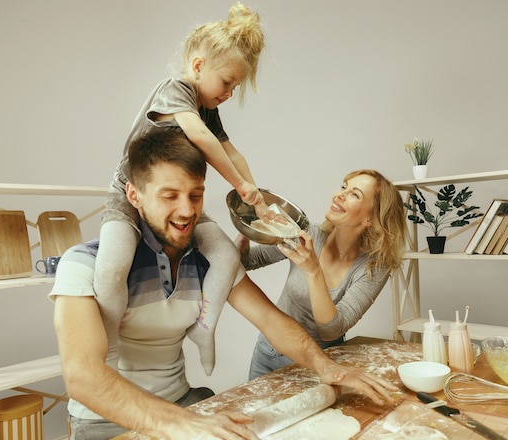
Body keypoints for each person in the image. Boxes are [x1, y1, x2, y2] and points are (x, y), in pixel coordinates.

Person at [51, 128, 398, 440]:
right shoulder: (83, 264)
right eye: (169, 196)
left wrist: (328, 367)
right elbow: (83, 376)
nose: (187, 211)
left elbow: (272, 322)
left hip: (183, 403)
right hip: (106, 423)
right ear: (134, 195)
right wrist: (180, 423)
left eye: (196, 195)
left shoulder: (207, 261)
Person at [94, 2, 277, 371]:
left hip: (179, 202)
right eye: (226, 83)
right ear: (198, 67)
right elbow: (201, 139)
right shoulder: (175, 90)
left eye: (235, 87)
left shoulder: (210, 110)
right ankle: (110, 345)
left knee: (226, 256)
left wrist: (258, 198)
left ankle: (204, 328)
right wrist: (240, 185)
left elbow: (232, 152)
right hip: (132, 196)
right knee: (112, 268)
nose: (228, 93)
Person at [237, 169, 407, 379]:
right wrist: (245, 233)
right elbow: (248, 262)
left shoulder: (374, 267)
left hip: (319, 364)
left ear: (370, 219)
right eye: (344, 186)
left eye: (355, 194)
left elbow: (331, 331)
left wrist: (313, 270)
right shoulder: (309, 234)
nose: (339, 195)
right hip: (269, 352)